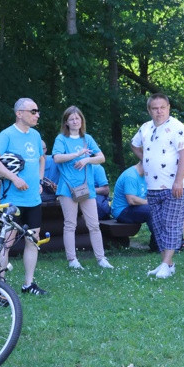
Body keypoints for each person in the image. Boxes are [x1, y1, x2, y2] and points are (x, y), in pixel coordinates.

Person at [0, 98, 47, 295]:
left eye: (38, 111)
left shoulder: (36, 135)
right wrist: (14, 178)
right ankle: (1, 287)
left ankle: (28, 284)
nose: (37, 114)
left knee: (33, 241)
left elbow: (41, 158)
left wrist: (39, 181)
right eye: (33, 111)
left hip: (33, 200)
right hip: (12, 201)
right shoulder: (7, 135)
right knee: (6, 243)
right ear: (19, 113)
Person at [131, 92, 184, 279]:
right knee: (157, 226)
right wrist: (147, 159)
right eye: (155, 108)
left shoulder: (177, 127)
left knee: (171, 224)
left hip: (175, 185)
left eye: (162, 108)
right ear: (149, 110)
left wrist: (178, 180)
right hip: (153, 185)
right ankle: (168, 264)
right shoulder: (145, 128)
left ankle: (165, 264)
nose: (159, 112)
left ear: (168, 108)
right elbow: (134, 144)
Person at [52, 106, 114, 270]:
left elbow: (101, 158)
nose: (75, 121)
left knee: (94, 224)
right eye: (71, 119)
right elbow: (57, 158)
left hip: (86, 188)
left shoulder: (87, 138)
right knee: (70, 224)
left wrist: (87, 160)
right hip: (67, 188)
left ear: (81, 120)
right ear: (66, 122)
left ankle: (101, 258)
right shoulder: (61, 139)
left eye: (77, 118)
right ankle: (72, 260)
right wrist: (77, 154)